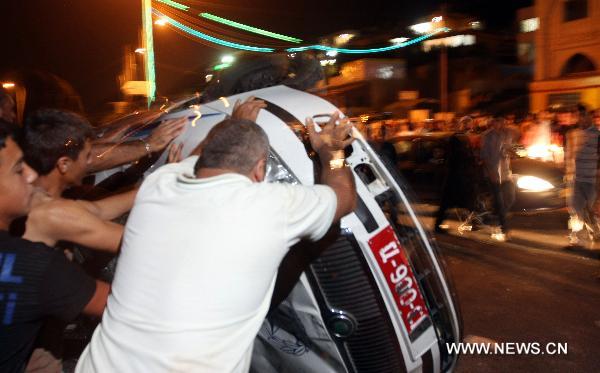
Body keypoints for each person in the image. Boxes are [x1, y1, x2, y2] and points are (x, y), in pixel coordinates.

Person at [75, 111, 357, 373]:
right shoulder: (272, 206)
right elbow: (344, 197)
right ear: (260, 169)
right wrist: (332, 152)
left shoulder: (158, 183)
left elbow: (194, 160)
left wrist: (231, 122)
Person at [0, 120, 109, 372]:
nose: (30, 175)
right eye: (18, 169)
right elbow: (123, 306)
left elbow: (96, 210)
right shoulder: (36, 266)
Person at [18, 109, 165, 252]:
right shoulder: (54, 214)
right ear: (64, 164)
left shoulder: (36, 197)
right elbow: (140, 242)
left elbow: (97, 209)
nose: (90, 162)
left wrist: (159, 182)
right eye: (87, 156)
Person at [565, 107, 600, 245]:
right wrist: (568, 172)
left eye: (583, 116)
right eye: (579, 116)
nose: (581, 119)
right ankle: (578, 234)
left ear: (589, 117)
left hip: (592, 179)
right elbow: (569, 155)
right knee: (576, 207)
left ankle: (594, 231)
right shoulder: (573, 134)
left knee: (590, 208)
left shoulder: (597, 134)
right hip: (576, 178)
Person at [480, 116, 515, 241]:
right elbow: (483, 156)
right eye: (498, 121)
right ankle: (505, 229)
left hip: (506, 173)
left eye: (503, 121)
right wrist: (491, 173)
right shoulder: (487, 136)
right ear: (494, 122)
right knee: (499, 202)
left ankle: (494, 218)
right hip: (493, 174)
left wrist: (512, 152)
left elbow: (508, 151)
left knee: (510, 197)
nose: (501, 124)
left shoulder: (507, 135)